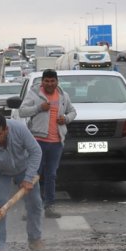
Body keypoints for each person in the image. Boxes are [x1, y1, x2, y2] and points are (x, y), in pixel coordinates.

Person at [0, 112, 47, 251]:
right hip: (0, 172)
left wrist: (28, 178)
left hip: (24, 167)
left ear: (6, 130)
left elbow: (36, 151)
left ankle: (35, 239)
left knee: (35, 204)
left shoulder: (19, 129)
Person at [18, 69, 77, 219]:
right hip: (37, 141)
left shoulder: (63, 96)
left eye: (52, 81)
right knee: (33, 175)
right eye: (47, 81)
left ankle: (49, 206)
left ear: (57, 82)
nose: (49, 84)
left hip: (56, 142)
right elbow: (22, 112)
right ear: (42, 82)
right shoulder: (34, 94)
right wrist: (39, 108)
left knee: (51, 175)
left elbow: (73, 112)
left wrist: (66, 119)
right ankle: (30, 208)